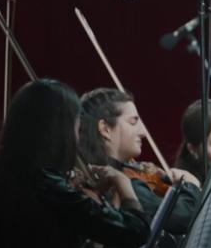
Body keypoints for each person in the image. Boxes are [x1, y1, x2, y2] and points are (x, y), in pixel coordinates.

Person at [0, 79, 150, 248]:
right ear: (61, 131)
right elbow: (136, 231)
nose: (77, 137)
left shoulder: (8, 177)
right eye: (75, 126)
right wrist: (122, 182)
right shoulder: (48, 185)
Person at [79, 87, 201, 236]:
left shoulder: (112, 175)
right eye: (133, 122)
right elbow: (184, 218)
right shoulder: (123, 184)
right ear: (105, 129)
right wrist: (191, 185)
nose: (143, 132)